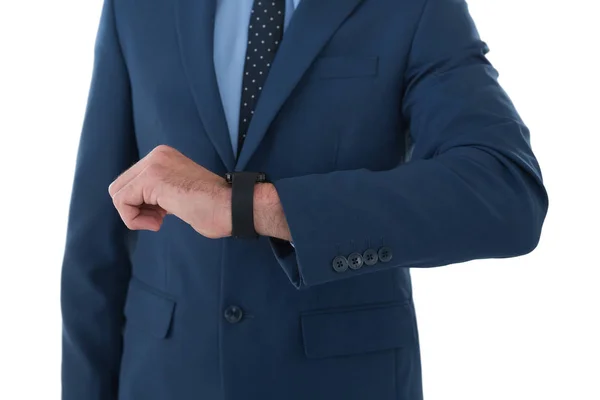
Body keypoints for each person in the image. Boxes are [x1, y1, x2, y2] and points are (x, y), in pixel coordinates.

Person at [60, 0, 549, 399]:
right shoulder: (134, 6)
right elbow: (94, 245)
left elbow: (505, 190)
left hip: (343, 382)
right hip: (162, 379)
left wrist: (249, 206)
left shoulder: (414, 6)